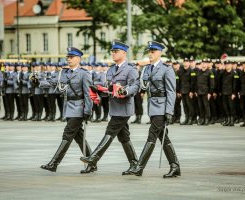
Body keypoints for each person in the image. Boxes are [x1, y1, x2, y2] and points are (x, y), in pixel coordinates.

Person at [80, 41, 140, 175]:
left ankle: (93, 158)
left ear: (123, 53)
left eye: (116, 51)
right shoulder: (111, 69)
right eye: (112, 51)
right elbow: (107, 86)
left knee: (110, 131)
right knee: (124, 137)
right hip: (114, 107)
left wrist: (125, 91)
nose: (113, 54)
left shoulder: (131, 69)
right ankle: (134, 164)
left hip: (124, 108)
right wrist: (97, 88)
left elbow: (135, 86)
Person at [129, 41, 180, 178]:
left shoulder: (167, 69)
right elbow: (142, 86)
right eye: (149, 51)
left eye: (153, 51)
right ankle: (175, 166)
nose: (150, 54)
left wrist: (169, 111)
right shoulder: (146, 69)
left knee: (152, 135)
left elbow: (171, 91)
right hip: (152, 106)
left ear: (160, 53)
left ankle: (139, 167)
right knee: (163, 137)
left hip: (162, 107)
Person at [40, 47, 95, 173]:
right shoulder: (64, 73)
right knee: (79, 137)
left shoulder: (84, 73)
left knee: (67, 134)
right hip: (69, 107)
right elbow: (53, 82)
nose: (69, 59)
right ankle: (93, 162)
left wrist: (88, 111)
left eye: (72, 57)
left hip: (79, 108)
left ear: (78, 59)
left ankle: (54, 163)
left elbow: (88, 94)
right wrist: (39, 81)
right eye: (68, 57)